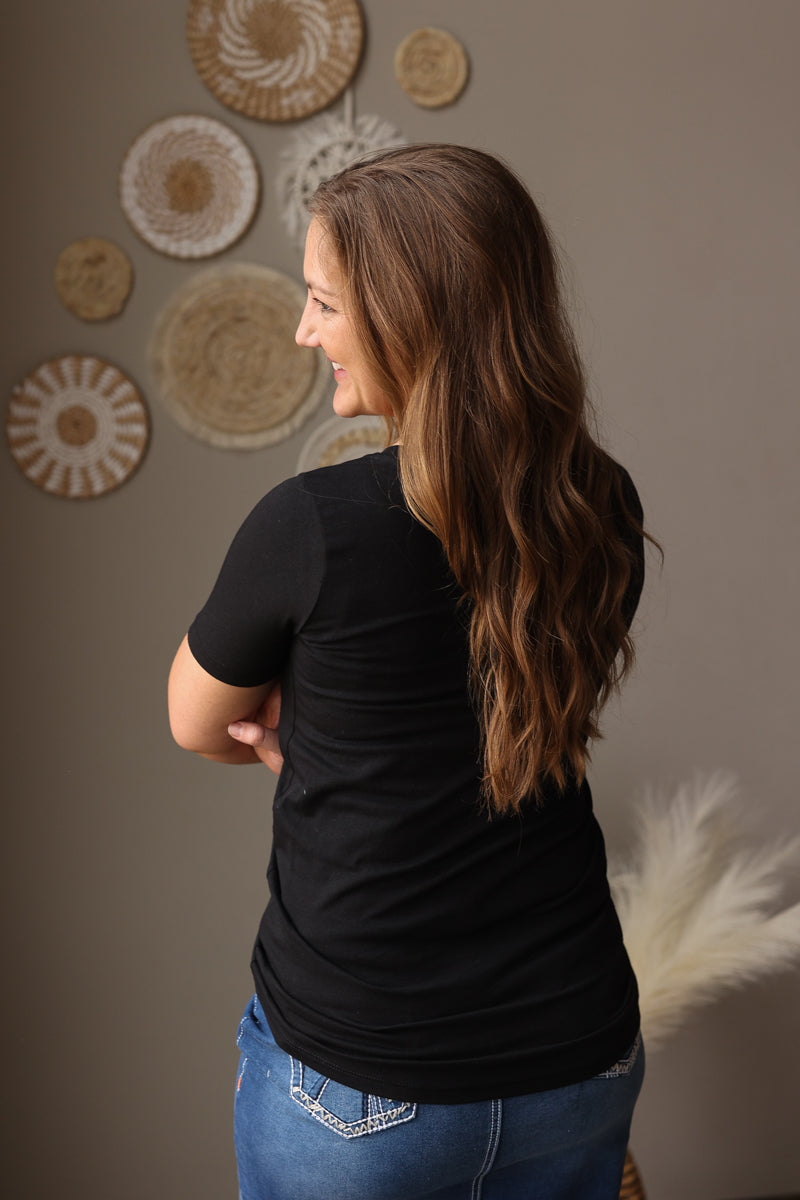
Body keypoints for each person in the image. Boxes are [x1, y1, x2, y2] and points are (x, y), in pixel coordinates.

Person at [168, 144, 651, 1200]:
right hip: (578, 1058)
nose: (303, 332)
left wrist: (310, 742)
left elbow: (194, 720)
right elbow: (502, 716)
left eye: (324, 304)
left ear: (410, 315)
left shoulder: (310, 528)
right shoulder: (598, 506)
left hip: (361, 1092)